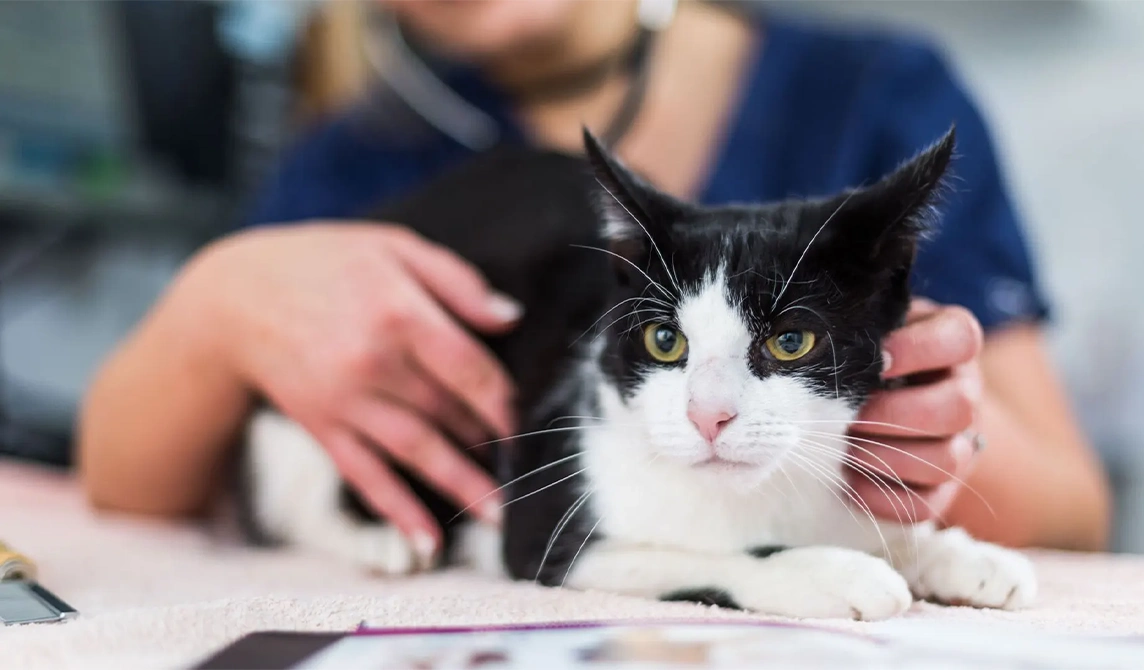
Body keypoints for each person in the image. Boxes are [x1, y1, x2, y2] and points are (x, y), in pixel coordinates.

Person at [77, 0, 1111, 557]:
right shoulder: (354, 162)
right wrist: (218, 304)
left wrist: (932, 437)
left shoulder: (875, 99)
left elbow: (1076, 514)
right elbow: (124, 486)